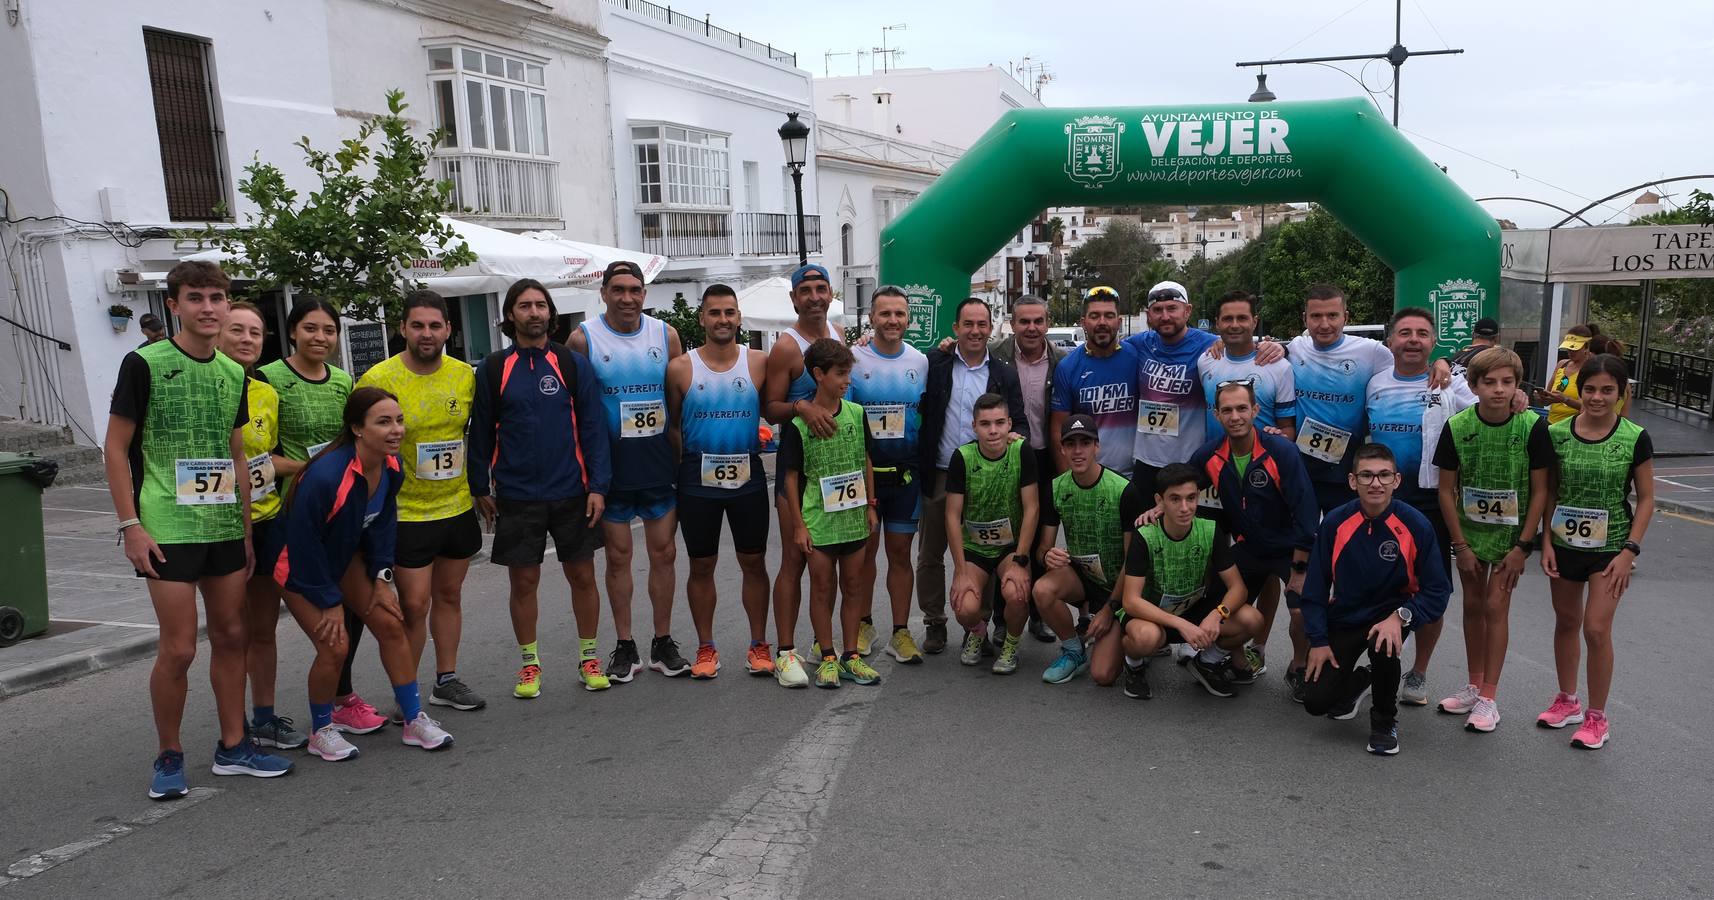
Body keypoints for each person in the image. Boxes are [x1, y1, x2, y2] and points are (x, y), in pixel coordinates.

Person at [104, 260, 293, 799]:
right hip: (165, 525)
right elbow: (115, 448)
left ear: (227, 304)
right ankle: (169, 753)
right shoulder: (144, 363)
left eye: (217, 297)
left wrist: (246, 532)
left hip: (223, 528)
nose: (208, 308)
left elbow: (235, 455)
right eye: (196, 298)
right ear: (175, 305)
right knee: (181, 648)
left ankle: (233, 747)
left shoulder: (235, 374)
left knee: (233, 635)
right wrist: (131, 526)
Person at [274, 387, 454, 760]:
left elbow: (383, 525)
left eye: (399, 420)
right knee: (334, 644)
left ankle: (413, 719)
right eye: (383, 422)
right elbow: (304, 544)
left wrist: (382, 578)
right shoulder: (325, 476)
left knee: (391, 622)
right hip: (299, 564)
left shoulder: (391, 466)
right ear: (357, 428)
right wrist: (329, 603)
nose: (396, 430)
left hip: (342, 555)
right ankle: (321, 729)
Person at [469, 278, 613, 698]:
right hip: (516, 495)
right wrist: (481, 485)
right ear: (510, 315)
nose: (534, 312)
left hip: (572, 491)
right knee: (523, 584)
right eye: (524, 305)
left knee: (583, 577)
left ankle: (589, 657)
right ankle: (529, 665)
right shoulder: (495, 368)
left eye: (540, 305)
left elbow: (592, 430)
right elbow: (480, 434)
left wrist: (598, 486)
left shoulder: (572, 364)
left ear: (550, 313)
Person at [356, 291, 484, 714]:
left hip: (457, 505)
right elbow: (364, 449)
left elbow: (477, 435)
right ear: (402, 328)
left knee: (449, 596)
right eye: (417, 325)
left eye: (434, 325)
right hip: (406, 511)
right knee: (413, 605)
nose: (426, 334)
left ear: (449, 329)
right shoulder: (380, 379)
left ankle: (445, 680)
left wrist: (483, 488)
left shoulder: (465, 375)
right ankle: (405, 695)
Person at [260, 298, 375, 732]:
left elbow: (356, 440)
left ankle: (343, 696)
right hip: (291, 512)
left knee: (352, 610)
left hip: (344, 511)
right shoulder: (269, 379)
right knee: (315, 617)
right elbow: (261, 452)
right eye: (310, 328)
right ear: (292, 331)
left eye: (329, 330)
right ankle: (284, 713)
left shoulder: (344, 381)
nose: (320, 338)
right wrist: (316, 470)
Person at [569, 261, 686, 681]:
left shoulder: (665, 335)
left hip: (658, 466)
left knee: (665, 555)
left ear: (644, 294)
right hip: (611, 471)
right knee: (618, 559)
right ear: (603, 293)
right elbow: (577, 408)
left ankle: (662, 641)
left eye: (635, 290)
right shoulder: (583, 338)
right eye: (618, 289)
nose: (627, 298)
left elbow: (678, 399)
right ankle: (624, 645)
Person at [1300, 443, 1451, 756]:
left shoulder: (1416, 525)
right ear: (1353, 481)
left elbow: (1438, 591)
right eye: (1367, 476)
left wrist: (1402, 617)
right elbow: (1314, 589)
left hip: (1390, 617)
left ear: (1396, 480)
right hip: (1345, 617)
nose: (1375, 483)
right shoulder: (1334, 524)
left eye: (1384, 476)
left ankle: (1384, 721)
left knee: (1383, 644)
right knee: (1316, 703)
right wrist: (1317, 640)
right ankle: (1362, 679)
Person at [1432, 346, 1552, 732]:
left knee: (1497, 608)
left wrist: (1523, 546)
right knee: (1473, 607)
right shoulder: (1457, 426)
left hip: (1510, 539)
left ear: (1518, 386)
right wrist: (1460, 545)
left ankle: (1490, 697)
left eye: (1507, 382)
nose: (1499, 390)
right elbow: (1445, 490)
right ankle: (1473, 683)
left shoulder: (1532, 426)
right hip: (1470, 534)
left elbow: (1540, 491)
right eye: (1490, 382)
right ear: (1474, 385)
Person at [1539, 354, 1654, 750]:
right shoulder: (1556, 434)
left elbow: (1647, 499)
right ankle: (1567, 700)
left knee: (1596, 628)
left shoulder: (1634, 436)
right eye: (1590, 389)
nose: (1597, 397)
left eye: (1607, 390)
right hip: (1565, 543)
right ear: (1579, 390)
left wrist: (1629, 550)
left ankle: (1597, 717)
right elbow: (1549, 491)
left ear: (1621, 394)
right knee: (1566, 622)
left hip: (1611, 548)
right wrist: (1547, 542)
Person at [1362, 307, 1474, 705]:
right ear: (1390, 340)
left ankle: (1419, 672)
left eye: (1422, 334)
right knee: (1377, 581)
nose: (1413, 339)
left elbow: (1489, 409)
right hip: (1379, 499)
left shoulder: (1450, 383)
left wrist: (1514, 396)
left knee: (1432, 587)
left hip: (1430, 501)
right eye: (1405, 332)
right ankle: (1378, 659)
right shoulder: (1374, 382)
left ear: (1433, 341)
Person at [1188, 380, 1318, 700]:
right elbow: (1182, 485)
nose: (1235, 416)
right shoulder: (1209, 454)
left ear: (1256, 411)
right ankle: (1225, 660)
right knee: (1221, 605)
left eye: (1242, 408)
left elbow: (1306, 513)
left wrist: (1300, 572)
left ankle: (1298, 666)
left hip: (1289, 548)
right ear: (1216, 414)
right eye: (1227, 410)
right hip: (1250, 546)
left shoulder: (1281, 451)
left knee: (1304, 609)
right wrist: (1159, 505)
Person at [666, 284, 770, 680]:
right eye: (715, 313)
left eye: (729, 312)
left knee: (754, 562)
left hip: (747, 473)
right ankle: (706, 647)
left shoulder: (759, 362)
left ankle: (759, 644)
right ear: (702, 318)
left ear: (739, 317)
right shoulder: (680, 367)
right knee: (700, 565)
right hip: (697, 476)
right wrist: (681, 471)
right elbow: (672, 426)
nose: (723, 320)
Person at [217, 301, 306, 752]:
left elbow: (264, 459)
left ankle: (264, 718)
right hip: (217, 525)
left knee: (264, 627)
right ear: (217, 333)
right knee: (230, 631)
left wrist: (310, 467)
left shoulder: (266, 393)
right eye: (238, 330)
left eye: (255, 332)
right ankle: (232, 733)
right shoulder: (202, 387)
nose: (247, 339)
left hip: (268, 519)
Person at [916, 298, 1028, 654]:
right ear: (955, 328)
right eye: (969, 324)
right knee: (931, 553)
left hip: (988, 476)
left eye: (982, 324)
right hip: (941, 471)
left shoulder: (1005, 373)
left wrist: (1014, 436)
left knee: (989, 547)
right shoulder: (936, 363)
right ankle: (935, 622)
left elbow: (1019, 421)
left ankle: (982, 623)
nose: (976, 331)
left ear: (990, 327)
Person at [1286, 284, 1448, 514]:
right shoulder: (1295, 348)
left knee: (1344, 534)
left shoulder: (1371, 352)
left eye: (1332, 315)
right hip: (1301, 465)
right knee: (1304, 537)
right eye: (1316, 316)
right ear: (1305, 319)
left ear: (1346, 317)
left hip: (1345, 469)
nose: (1324, 324)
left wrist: (1443, 362)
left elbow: (1409, 365)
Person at [778, 339, 881, 689]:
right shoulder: (798, 425)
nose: (847, 380)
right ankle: (827, 657)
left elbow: (867, 460)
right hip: (819, 522)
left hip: (853, 518)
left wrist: (870, 505)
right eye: (840, 374)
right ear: (819, 375)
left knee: (854, 586)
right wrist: (799, 526)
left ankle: (851, 655)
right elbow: (791, 479)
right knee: (822, 587)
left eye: (849, 373)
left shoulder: (856, 413)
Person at [1114, 463, 1257, 700]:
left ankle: (1206, 662)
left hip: (1193, 611)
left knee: (1251, 619)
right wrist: (1180, 624)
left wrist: (1217, 614)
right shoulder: (1145, 534)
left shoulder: (1210, 530)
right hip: (1152, 616)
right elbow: (1130, 601)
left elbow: (1238, 588)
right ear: (1159, 500)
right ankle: (1135, 665)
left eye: (1191, 498)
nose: (1185, 507)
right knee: (1144, 638)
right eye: (1175, 499)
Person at [762, 263, 842, 685]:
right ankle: (785, 651)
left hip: (836, 472)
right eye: (805, 290)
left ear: (831, 294)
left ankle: (822, 644)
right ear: (794, 299)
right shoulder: (786, 348)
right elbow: (769, 406)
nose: (814, 296)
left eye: (821, 288)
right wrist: (802, 407)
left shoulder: (838, 335)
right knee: (794, 560)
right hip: (799, 472)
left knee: (827, 565)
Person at [848, 286, 930, 665]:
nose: (892, 321)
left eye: (899, 314)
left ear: (909, 319)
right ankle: (863, 624)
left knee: (899, 554)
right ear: (871, 317)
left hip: (905, 475)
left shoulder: (920, 362)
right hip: (863, 474)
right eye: (885, 314)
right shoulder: (853, 359)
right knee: (864, 554)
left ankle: (900, 631)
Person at [1032, 413, 1140, 685]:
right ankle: (1073, 649)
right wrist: (1047, 555)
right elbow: (1043, 547)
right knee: (1042, 589)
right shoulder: (1056, 488)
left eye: (1085, 443)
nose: (1078, 451)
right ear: (1062, 449)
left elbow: (1133, 562)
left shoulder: (1123, 490)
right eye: (1071, 444)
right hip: (1084, 579)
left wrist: (1109, 609)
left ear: (1097, 446)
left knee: (1103, 675)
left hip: (1120, 588)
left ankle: (1129, 641)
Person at [989, 295, 1066, 644]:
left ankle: (1037, 613)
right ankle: (1003, 618)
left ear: (1047, 323)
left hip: (1046, 457)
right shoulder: (995, 355)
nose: (1031, 328)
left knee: (1040, 537)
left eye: (1038, 321)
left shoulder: (1062, 361)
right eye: (1024, 321)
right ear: (1012, 323)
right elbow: (959, 353)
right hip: (1006, 456)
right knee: (1004, 536)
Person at [944, 393, 1038, 673]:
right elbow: (951, 515)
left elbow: (1031, 508)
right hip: (975, 547)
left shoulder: (1022, 451)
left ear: (1010, 424)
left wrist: (1022, 560)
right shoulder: (962, 457)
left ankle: (1010, 644)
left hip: (1011, 547)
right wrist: (960, 571)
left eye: (999, 422)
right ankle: (978, 632)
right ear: (974, 425)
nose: (993, 430)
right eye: (985, 424)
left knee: (1018, 593)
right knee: (965, 606)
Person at [1050, 287, 1140, 477]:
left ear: (1119, 321)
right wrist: (1065, 482)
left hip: (1136, 475)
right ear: (1083, 322)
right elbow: (1058, 428)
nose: (1102, 322)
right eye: (1095, 316)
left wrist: (1219, 342)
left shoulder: (1137, 357)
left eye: (1109, 316)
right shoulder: (1067, 367)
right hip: (1089, 478)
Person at [1197, 290, 1296, 440]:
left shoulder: (1279, 366)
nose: (1235, 325)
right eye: (1228, 319)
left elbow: (1287, 428)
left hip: (1261, 461)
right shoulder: (1206, 361)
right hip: (1216, 461)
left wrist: (1278, 440)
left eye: (1242, 318)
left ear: (1254, 322)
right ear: (1217, 323)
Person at [1537, 325, 1598, 424]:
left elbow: (1589, 406)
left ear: (1586, 347)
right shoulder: (1562, 365)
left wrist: (1565, 399)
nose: (1570, 352)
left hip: (1573, 426)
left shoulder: (1591, 370)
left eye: (1575, 348)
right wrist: (1542, 397)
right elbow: (1548, 399)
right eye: (1568, 348)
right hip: (1551, 423)